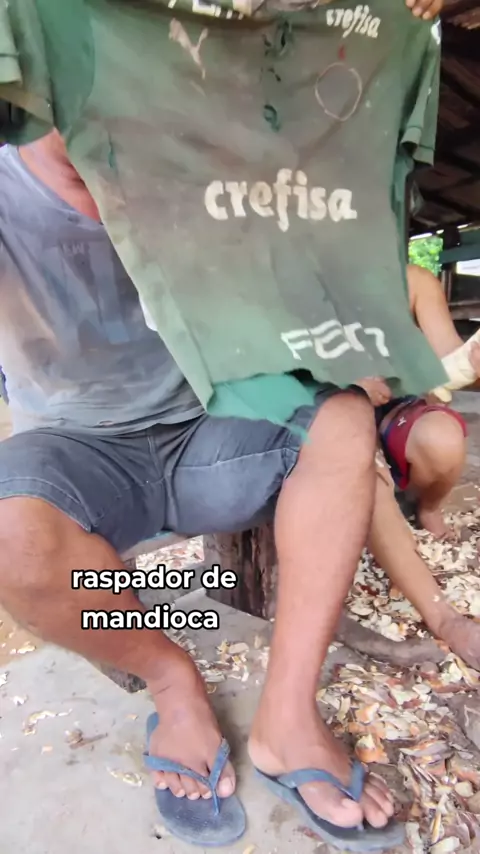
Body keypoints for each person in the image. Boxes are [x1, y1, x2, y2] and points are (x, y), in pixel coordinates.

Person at [0, 133, 398, 848]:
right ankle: (171, 681)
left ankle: (288, 717)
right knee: (11, 534)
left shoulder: (195, 165)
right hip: (74, 449)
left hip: (206, 424)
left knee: (341, 419)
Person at [360, 263, 480, 540]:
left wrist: (473, 366)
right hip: (327, 405)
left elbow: (452, 361)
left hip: (397, 404)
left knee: (442, 439)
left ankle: (425, 507)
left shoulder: (415, 281)